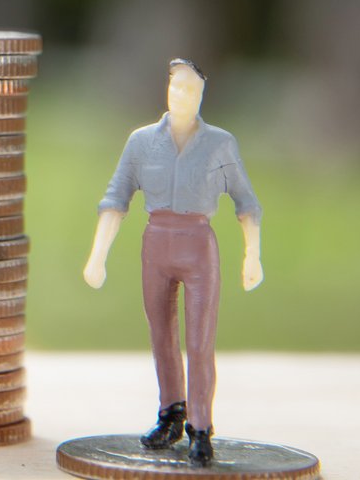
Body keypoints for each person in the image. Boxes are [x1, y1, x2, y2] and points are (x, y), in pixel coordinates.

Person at [81, 59, 263, 466]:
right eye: (175, 86)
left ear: (202, 94)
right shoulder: (142, 142)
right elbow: (116, 198)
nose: (181, 95)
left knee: (199, 343)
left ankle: (202, 427)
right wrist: (98, 254)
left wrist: (253, 254)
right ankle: (171, 413)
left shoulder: (220, 144)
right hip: (156, 245)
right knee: (162, 337)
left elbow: (246, 202)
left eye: (190, 89)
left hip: (199, 246)